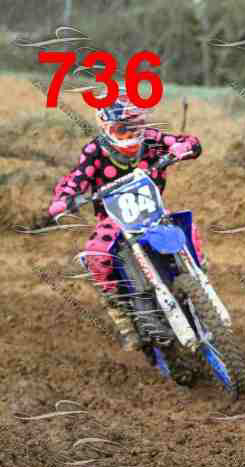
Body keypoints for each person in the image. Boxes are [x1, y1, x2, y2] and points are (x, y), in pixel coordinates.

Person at [32, 86, 204, 351]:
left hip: (152, 211)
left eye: (136, 128)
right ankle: (123, 317)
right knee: (95, 255)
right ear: (106, 126)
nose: (132, 135)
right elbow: (76, 178)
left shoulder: (152, 139)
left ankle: (200, 275)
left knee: (186, 227)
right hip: (114, 220)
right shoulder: (94, 151)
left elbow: (186, 141)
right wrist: (64, 199)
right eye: (124, 130)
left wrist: (183, 148)